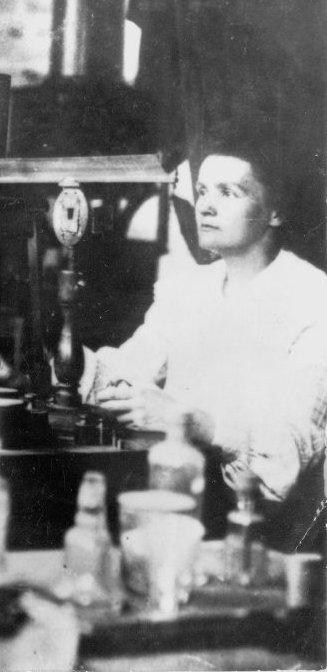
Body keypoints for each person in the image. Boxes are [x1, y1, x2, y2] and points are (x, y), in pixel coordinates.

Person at [87, 131, 327, 547]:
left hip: (267, 536)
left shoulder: (313, 301)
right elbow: (127, 369)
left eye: (229, 192)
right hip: (178, 503)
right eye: (201, 190)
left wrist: (193, 422)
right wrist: (64, 356)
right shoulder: (187, 290)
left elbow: (286, 455)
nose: (206, 206)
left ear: (276, 211)